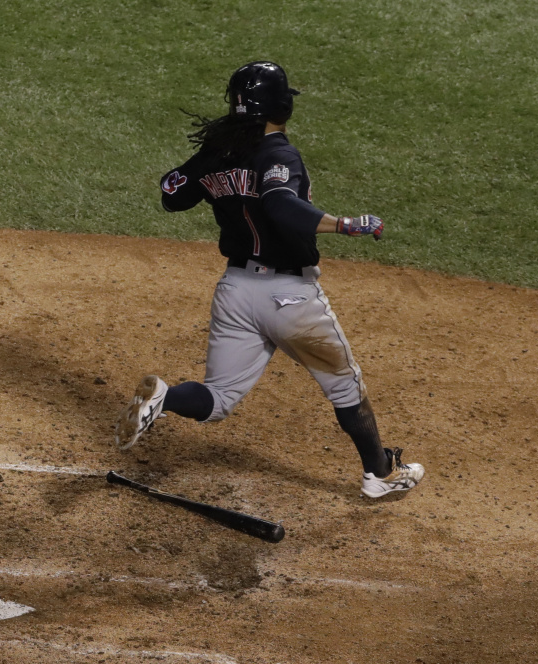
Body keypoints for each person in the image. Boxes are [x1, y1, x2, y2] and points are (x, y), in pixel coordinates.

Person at [115, 61, 424, 499]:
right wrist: (345, 224)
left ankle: (164, 398)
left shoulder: (220, 152)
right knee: (344, 384)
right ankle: (379, 473)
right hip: (290, 300)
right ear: (281, 105)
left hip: (235, 292)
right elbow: (281, 206)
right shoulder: (279, 154)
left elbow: (172, 195)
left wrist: (208, 162)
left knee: (218, 398)